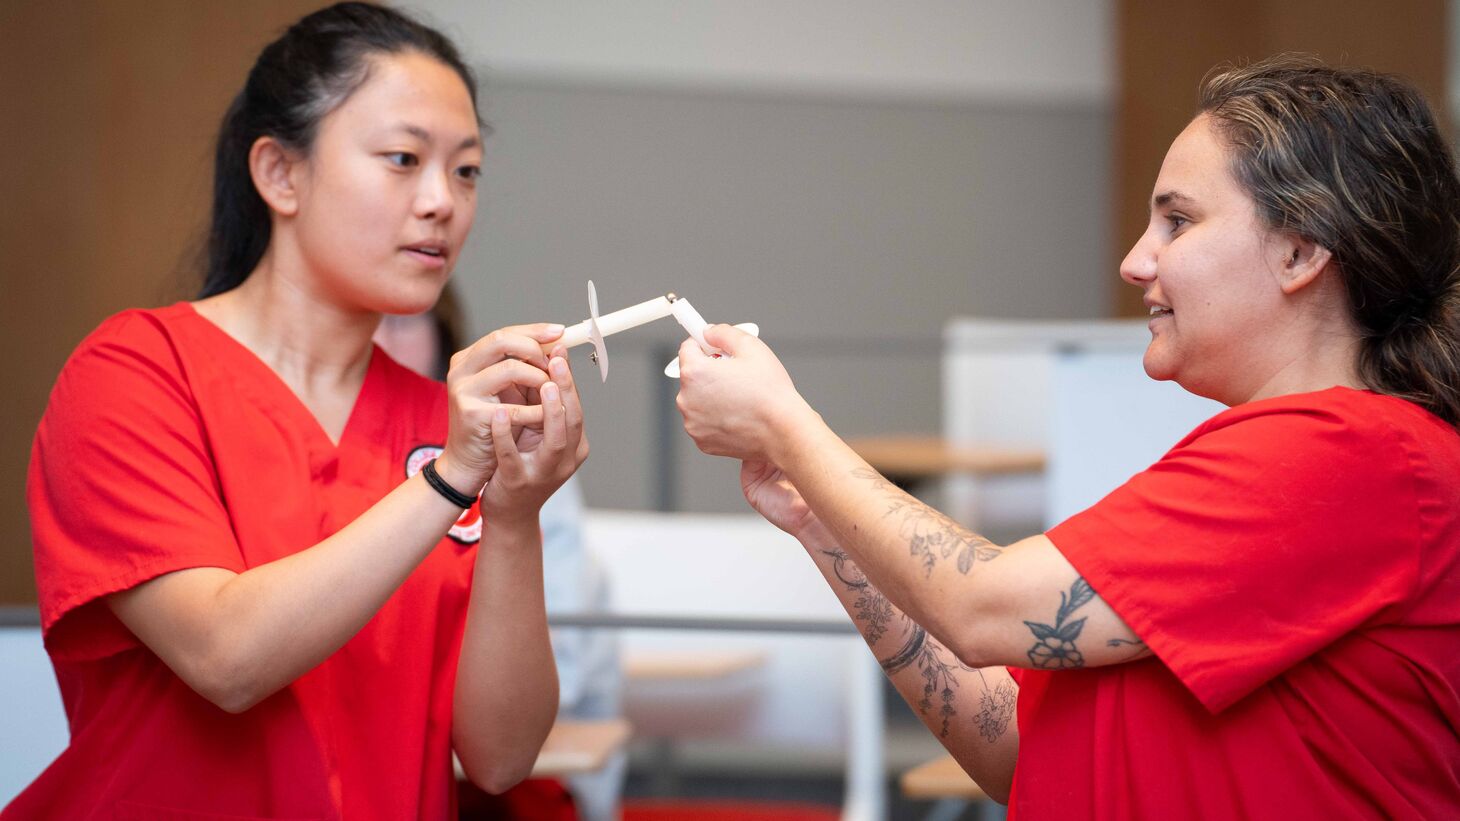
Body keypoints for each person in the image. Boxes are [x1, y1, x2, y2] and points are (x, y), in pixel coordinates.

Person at [675, 54, 1460, 817]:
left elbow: (981, 607)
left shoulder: (1351, 452)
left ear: (1300, 251)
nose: (1134, 260)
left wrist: (787, 424)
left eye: (1178, 222)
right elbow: (1016, 744)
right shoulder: (1295, 455)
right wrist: (821, 518)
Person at [8, 4, 588, 819]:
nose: (442, 203)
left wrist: (517, 517)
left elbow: (499, 757)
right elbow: (227, 657)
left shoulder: (438, 420)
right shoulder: (135, 374)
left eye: (466, 171)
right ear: (280, 173)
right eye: (402, 158)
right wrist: (454, 478)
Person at [375, 288, 626, 821]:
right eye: (362, 324)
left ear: (442, 334)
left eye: (402, 322)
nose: (379, 341)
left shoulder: (518, 449)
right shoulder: (344, 446)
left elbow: (560, 679)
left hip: (500, 772)